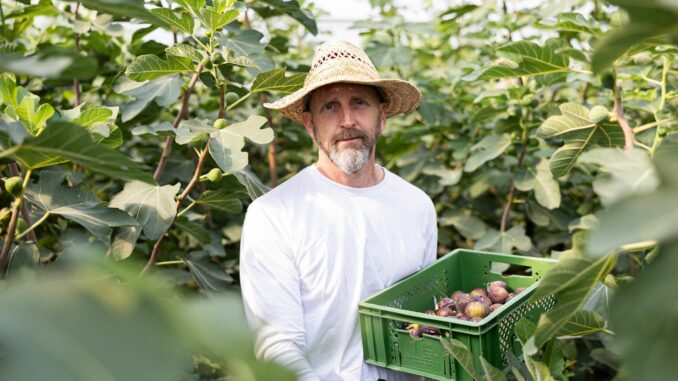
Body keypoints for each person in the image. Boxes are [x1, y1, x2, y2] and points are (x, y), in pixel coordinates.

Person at [239, 40, 438, 381]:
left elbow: (427, 320)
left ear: (383, 117)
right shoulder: (274, 215)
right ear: (309, 125)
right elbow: (277, 346)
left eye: (359, 103)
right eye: (330, 107)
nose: (347, 120)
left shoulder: (416, 205)